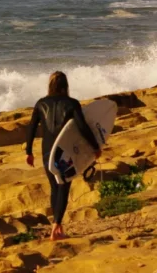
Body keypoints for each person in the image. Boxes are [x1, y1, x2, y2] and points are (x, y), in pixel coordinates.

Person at [25, 71, 101, 241]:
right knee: (64, 187)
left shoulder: (40, 103)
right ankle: (56, 228)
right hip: (64, 151)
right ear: (66, 85)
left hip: (47, 151)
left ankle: (56, 225)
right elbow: (82, 127)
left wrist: (28, 152)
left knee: (54, 187)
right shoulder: (72, 103)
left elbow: (31, 128)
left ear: (50, 85)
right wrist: (95, 146)